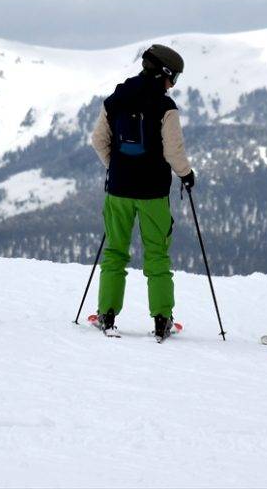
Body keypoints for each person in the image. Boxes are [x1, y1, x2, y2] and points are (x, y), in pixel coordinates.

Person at [89, 44, 195, 340]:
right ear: (164, 73)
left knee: (114, 252)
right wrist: (186, 175)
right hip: (153, 193)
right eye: (174, 78)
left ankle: (107, 315)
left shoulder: (116, 98)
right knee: (157, 255)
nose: (173, 84)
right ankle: (162, 319)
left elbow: (98, 140)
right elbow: (173, 151)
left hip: (119, 190)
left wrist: (117, 167)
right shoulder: (166, 107)